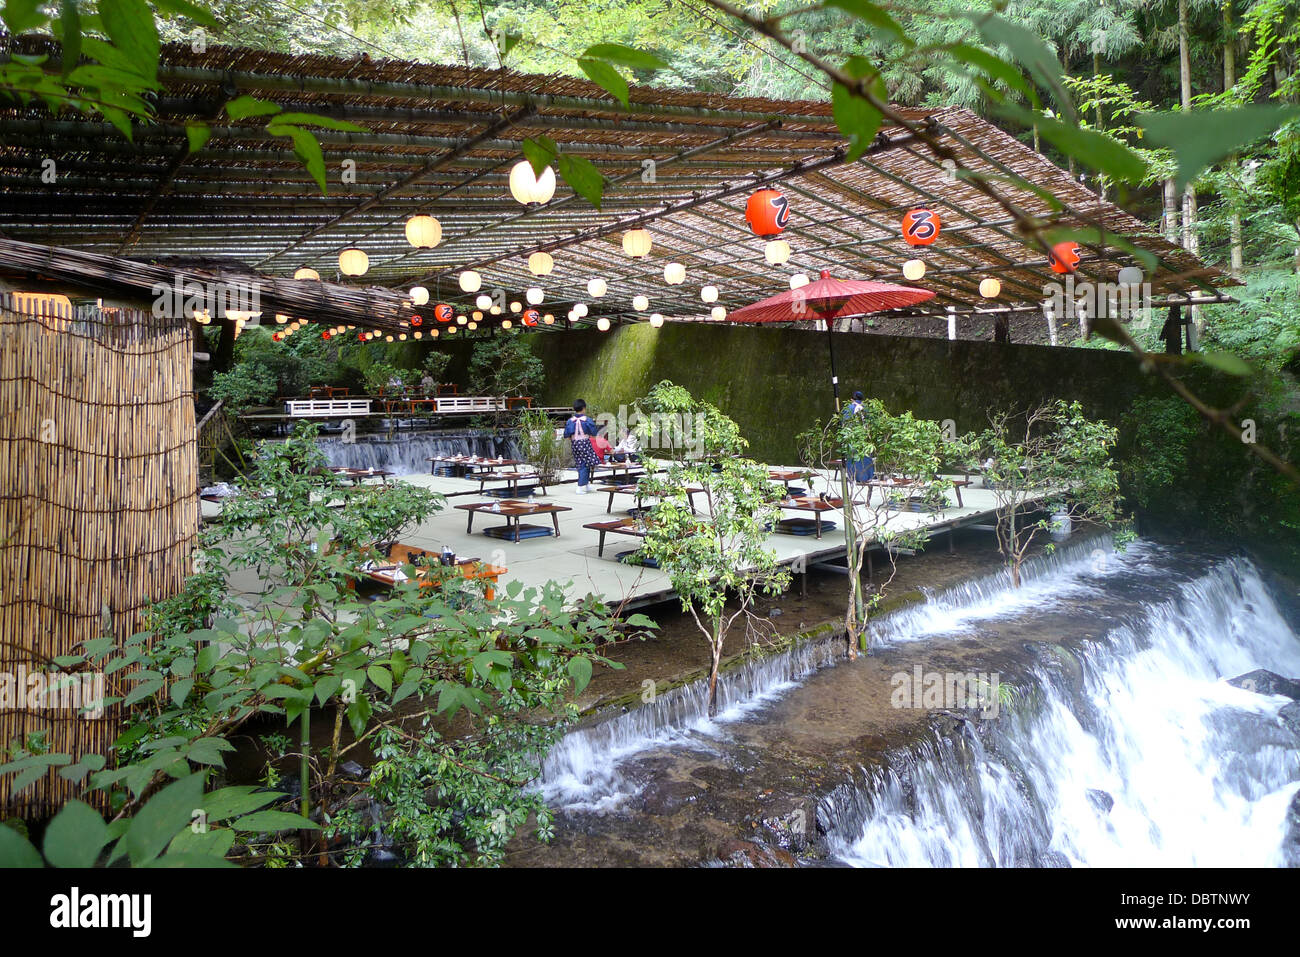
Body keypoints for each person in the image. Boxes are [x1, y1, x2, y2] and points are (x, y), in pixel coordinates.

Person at [564, 399, 599, 493]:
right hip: (585, 443)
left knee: (580, 463)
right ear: (584, 408)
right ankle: (580, 486)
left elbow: (567, 435)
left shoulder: (570, 421)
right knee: (585, 463)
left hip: (575, 443)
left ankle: (586, 484)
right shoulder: (587, 420)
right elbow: (594, 433)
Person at [843, 390, 875, 483]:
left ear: (852, 399)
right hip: (865, 438)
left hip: (852, 437)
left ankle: (853, 477)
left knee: (852, 457)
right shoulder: (867, 408)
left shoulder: (849, 408)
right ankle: (867, 477)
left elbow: (844, 423)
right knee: (866, 456)